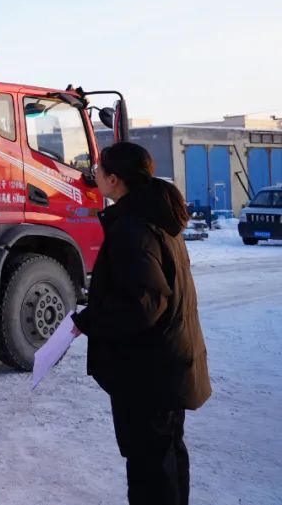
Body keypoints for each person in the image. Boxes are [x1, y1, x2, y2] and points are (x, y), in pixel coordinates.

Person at [70, 142, 211, 505]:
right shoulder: (156, 215)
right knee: (166, 458)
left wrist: (90, 321)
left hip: (149, 372)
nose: (94, 174)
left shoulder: (133, 228)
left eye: (99, 170)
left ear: (114, 180)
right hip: (165, 363)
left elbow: (144, 304)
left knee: (151, 467)